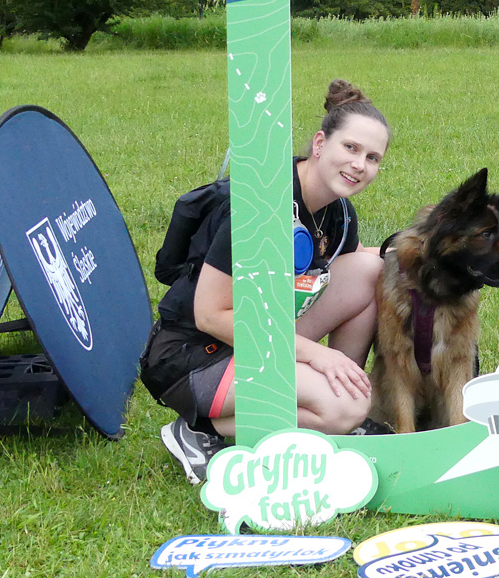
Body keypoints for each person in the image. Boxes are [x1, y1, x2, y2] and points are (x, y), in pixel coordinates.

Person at [141, 79, 391, 484]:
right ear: (319, 143)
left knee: (372, 270)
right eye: (351, 147)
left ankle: (342, 398)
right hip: (195, 354)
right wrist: (315, 354)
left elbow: (357, 266)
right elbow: (209, 315)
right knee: (343, 407)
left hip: (257, 338)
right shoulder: (260, 205)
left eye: (373, 157)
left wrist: (419, 248)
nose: (360, 164)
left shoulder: (339, 213)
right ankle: (200, 428)